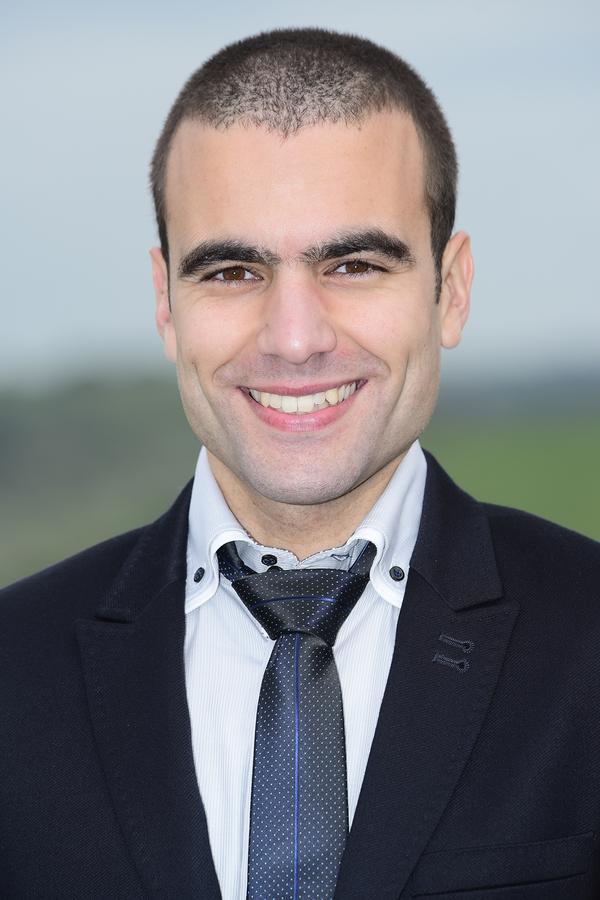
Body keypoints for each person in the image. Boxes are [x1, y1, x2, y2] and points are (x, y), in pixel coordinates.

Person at [1, 27, 599, 900]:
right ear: (165, 304)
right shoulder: (13, 671)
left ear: (452, 289)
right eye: (232, 272)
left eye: (353, 265)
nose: (293, 339)